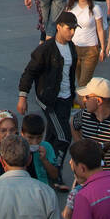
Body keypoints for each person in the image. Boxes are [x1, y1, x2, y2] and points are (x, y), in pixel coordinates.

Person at [17, 11, 79, 166]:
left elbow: (69, 74)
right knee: (63, 136)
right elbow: (29, 71)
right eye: (68, 28)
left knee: (52, 135)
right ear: (58, 27)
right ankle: (55, 170)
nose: (72, 32)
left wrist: (73, 94)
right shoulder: (45, 49)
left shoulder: (71, 48)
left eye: (74, 29)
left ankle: (41, 164)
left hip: (66, 98)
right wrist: (22, 97)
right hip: (48, 99)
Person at [66, 0, 106, 93]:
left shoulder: (95, 8)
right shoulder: (70, 8)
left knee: (83, 83)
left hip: (90, 49)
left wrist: (103, 48)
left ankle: (82, 107)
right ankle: (84, 105)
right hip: (74, 49)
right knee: (79, 81)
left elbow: (100, 29)